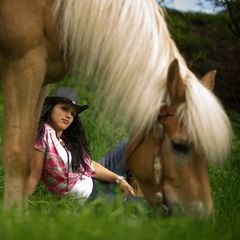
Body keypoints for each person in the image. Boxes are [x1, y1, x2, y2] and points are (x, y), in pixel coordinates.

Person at [28, 87, 135, 201]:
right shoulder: (44, 133)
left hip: (90, 178)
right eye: (64, 109)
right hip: (90, 195)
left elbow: (87, 165)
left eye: (72, 113)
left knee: (131, 142)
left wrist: (118, 179)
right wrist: (21, 205)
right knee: (140, 203)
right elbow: (33, 175)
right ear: (50, 108)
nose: (69, 116)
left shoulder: (66, 140)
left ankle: (127, 183)